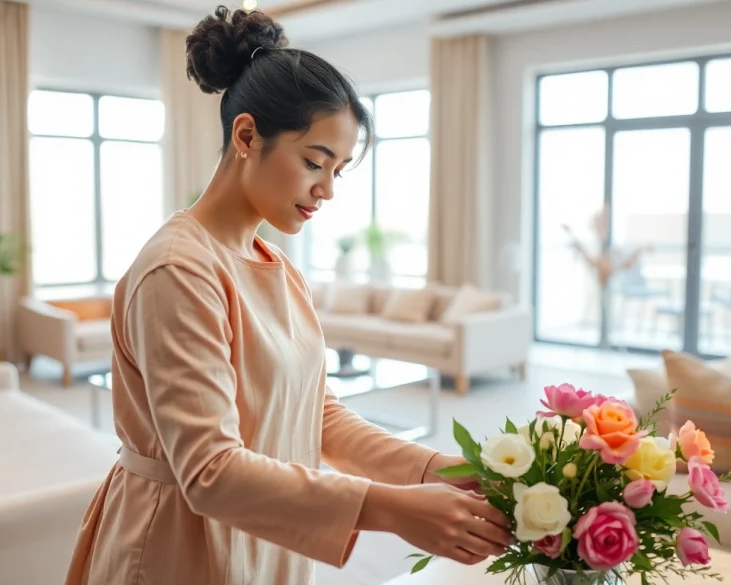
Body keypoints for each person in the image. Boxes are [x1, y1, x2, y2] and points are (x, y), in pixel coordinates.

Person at [63, 6, 513, 585]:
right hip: (178, 544)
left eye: (338, 171)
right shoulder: (178, 270)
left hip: (264, 534)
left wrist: (435, 469)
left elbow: (316, 415)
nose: (326, 191)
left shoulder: (275, 266)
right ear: (246, 135)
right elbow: (209, 471)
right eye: (313, 163)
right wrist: (393, 509)